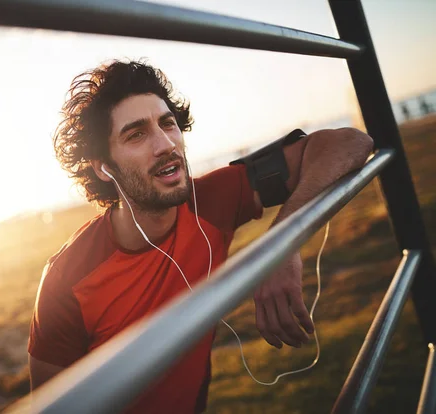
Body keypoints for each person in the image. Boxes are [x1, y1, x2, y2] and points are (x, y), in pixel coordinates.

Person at [27, 59, 373, 413]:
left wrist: (283, 244)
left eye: (167, 124)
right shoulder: (65, 281)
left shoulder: (210, 200)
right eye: (136, 134)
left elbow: (350, 143)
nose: (165, 145)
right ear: (103, 167)